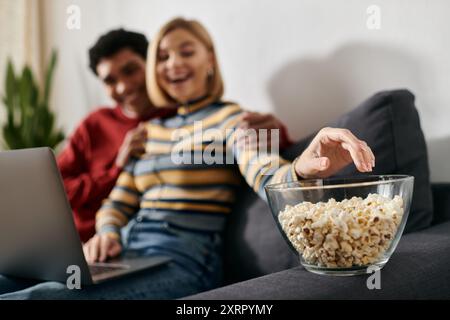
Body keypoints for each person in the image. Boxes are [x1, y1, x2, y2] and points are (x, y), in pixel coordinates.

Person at [0, 18, 374, 300]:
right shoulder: (152, 131)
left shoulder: (232, 120)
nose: (172, 62)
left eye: (186, 51)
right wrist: (108, 231)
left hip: (183, 262)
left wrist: (301, 169)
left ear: (209, 58)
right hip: (125, 256)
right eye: (162, 56)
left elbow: (263, 170)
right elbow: (119, 199)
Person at [57, 28, 294, 242]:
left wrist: (274, 131)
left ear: (149, 67)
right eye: (110, 80)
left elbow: (246, 149)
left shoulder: (184, 120)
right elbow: (58, 192)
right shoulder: (94, 124)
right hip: (85, 243)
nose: (123, 87)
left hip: (145, 246)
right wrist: (116, 168)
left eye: (131, 71)